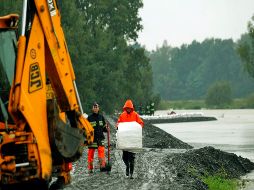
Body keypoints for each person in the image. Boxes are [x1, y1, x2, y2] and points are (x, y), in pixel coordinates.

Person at [116, 99, 144, 179]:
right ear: (125, 108)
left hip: (133, 141)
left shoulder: (135, 115)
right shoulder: (122, 115)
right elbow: (118, 124)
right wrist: (117, 126)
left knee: (131, 158)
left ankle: (131, 174)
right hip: (125, 140)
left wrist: (139, 128)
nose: (128, 109)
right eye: (127, 108)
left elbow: (141, 123)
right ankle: (127, 166)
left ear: (131, 108)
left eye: (129, 108)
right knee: (124, 157)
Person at [87, 102, 108, 173]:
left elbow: (104, 128)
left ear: (98, 108)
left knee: (101, 153)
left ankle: (102, 167)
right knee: (90, 154)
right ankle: (90, 168)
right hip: (92, 139)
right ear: (92, 109)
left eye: (97, 107)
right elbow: (86, 129)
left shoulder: (101, 117)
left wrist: (107, 129)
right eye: (94, 107)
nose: (95, 108)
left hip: (100, 138)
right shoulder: (89, 118)